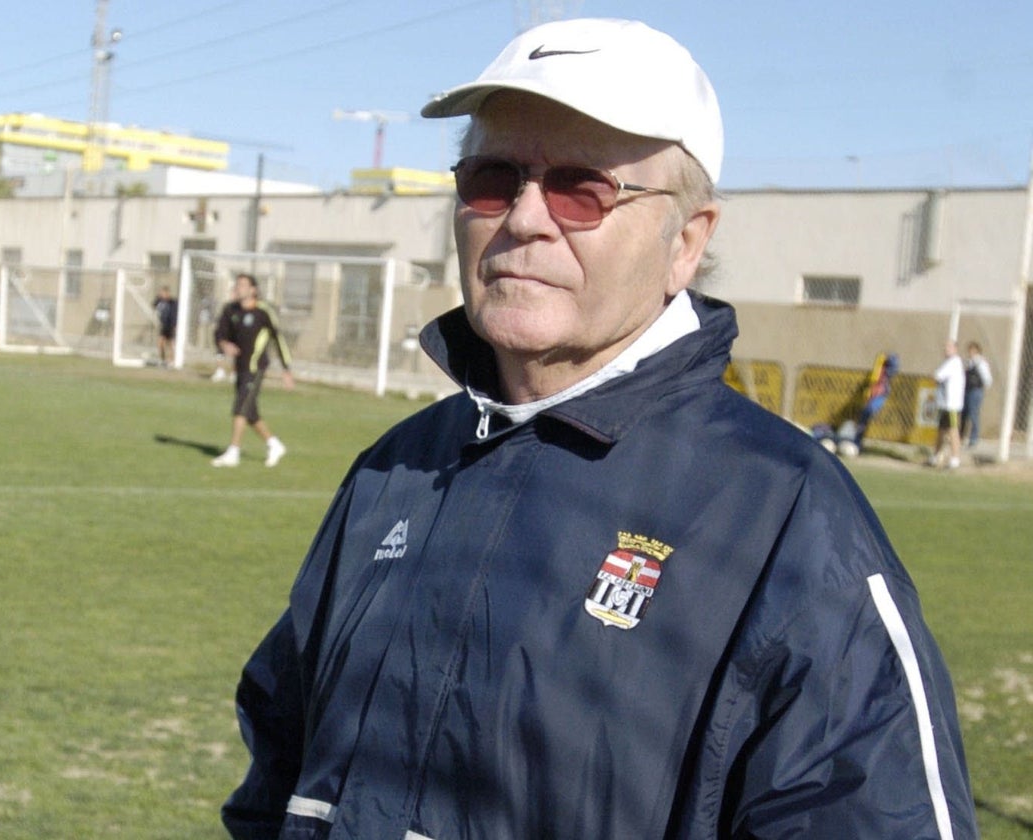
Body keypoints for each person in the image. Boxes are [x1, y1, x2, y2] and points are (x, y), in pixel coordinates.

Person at [220, 18, 977, 839]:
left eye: (583, 188)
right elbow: (281, 774)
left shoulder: (789, 520)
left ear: (685, 243)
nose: (525, 218)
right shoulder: (393, 471)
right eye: (491, 177)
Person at [211, 273, 294, 468]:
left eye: (242, 285)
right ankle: (274, 444)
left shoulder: (263, 312)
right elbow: (220, 334)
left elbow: (278, 339)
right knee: (250, 413)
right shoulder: (230, 310)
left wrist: (286, 369)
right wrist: (224, 344)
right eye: (237, 284)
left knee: (240, 407)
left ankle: (233, 452)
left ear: (253, 290)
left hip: (255, 368)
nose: (238, 288)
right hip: (239, 368)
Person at [930, 339, 966, 469]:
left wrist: (935, 377)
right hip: (944, 404)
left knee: (953, 430)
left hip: (952, 404)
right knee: (941, 430)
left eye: (949, 347)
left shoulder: (954, 362)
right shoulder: (948, 362)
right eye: (946, 347)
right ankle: (935, 456)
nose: (946, 349)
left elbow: (937, 376)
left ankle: (955, 459)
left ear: (955, 349)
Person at [959, 340, 992, 448]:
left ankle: (973, 438)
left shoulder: (980, 363)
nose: (970, 352)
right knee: (964, 414)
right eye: (970, 350)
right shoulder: (968, 362)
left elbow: (987, 379)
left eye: (973, 350)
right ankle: (961, 436)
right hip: (967, 390)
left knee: (974, 414)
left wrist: (981, 387)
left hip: (975, 391)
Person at [155, 285, 179, 366]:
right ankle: (162, 359)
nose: (161, 294)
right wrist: (158, 297)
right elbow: (154, 304)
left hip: (171, 325)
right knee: (160, 343)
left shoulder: (173, 302)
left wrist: (175, 325)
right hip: (164, 326)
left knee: (171, 344)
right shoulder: (160, 301)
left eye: (163, 293)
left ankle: (172, 360)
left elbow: (174, 314)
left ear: (167, 293)